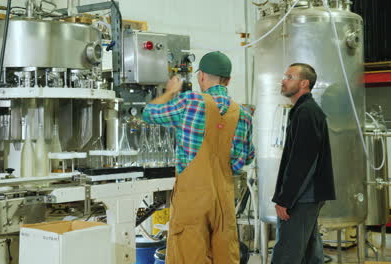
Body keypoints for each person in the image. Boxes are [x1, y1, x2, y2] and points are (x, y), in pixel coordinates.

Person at [142, 51, 255, 264]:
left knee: (188, 254)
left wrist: (169, 92)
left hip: (192, 199)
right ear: (228, 80)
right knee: (225, 256)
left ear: (201, 76)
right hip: (224, 199)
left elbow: (148, 113)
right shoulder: (244, 114)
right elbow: (245, 159)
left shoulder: (190, 102)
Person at [271, 63, 335, 264]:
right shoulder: (304, 110)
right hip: (306, 196)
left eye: (289, 77)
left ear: (304, 83)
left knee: (287, 253)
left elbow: (303, 161)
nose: (283, 80)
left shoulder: (306, 112)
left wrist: (285, 198)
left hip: (302, 197)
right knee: (309, 254)